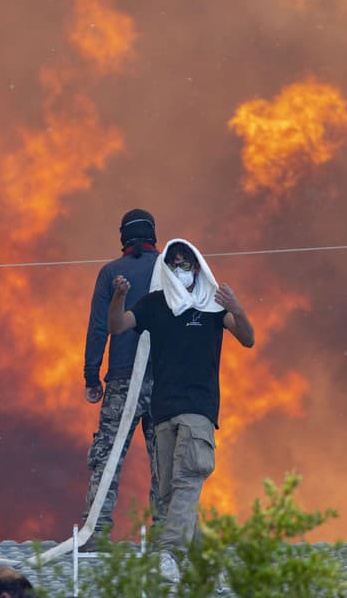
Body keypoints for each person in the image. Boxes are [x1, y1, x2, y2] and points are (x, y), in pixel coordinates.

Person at [107, 239, 255, 583]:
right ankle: (206, 564)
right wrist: (118, 296)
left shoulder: (213, 306)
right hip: (163, 411)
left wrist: (237, 307)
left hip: (198, 409)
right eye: (174, 262)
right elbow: (118, 326)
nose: (180, 267)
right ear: (166, 268)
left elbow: (248, 338)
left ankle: (169, 552)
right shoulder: (156, 304)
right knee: (173, 493)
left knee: (190, 475)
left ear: (198, 266)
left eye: (186, 262)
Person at [81, 208, 163, 548]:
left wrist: (91, 375)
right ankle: (165, 536)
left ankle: (96, 534)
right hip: (165, 383)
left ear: (123, 238)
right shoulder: (169, 268)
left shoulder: (111, 273)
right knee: (166, 461)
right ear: (153, 235)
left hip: (122, 380)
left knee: (108, 458)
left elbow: (100, 327)